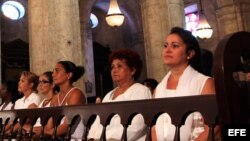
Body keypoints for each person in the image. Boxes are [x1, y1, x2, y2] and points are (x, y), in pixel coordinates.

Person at [152, 27, 216, 141]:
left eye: (175, 46)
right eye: (165, 45)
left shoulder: (204, 83)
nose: (167, 50)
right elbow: (153, 126)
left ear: (190, 53)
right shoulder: (159, 88)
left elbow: (213, 127)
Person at [88, 48, 152, 141]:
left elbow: (137, 125)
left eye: (119, 66)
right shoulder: (108, 95)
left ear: (132, 70)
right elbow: (98, 121)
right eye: (112, 67)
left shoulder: (141, 91)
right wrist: (91, 138)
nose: (114, 70)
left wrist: (108, 138)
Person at [44, 60, 87, 140]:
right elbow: (49, 125)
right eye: (53, 71)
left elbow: (66, 127)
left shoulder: (76, 93)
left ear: (69, 75)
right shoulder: (55, 98)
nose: (53, 74)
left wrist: (46, 132)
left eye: (57, 70)